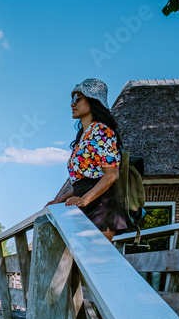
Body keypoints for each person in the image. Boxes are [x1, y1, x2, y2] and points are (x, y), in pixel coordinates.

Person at [47, 78, 127, 240]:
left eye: (78, 98)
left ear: (93, 100)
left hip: (100, 207)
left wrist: (84, 200)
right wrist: (59, 199)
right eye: (72, 99)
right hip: (83, 205)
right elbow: (85, 181)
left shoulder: (103, 131)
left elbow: (111, 175)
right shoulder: (83, 137)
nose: (72, 104)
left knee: (96, 261)